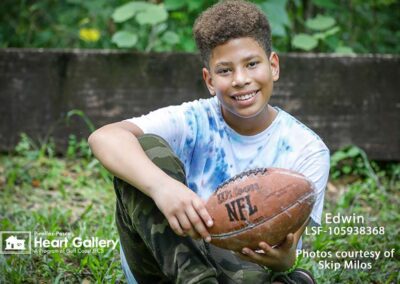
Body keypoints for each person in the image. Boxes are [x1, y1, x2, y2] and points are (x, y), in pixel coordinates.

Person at [88, 0, 330, 283]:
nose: (241, 79)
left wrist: (285, 260)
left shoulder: (307, 150)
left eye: (252, 64)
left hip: (242, 270)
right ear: (210, 80)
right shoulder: (192, 120)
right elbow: (103, 137)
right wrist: (163, 188)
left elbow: (287, 250)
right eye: (225, 70)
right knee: (144, 149)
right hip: (163, 268)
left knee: (256, 277)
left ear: (273, 65)